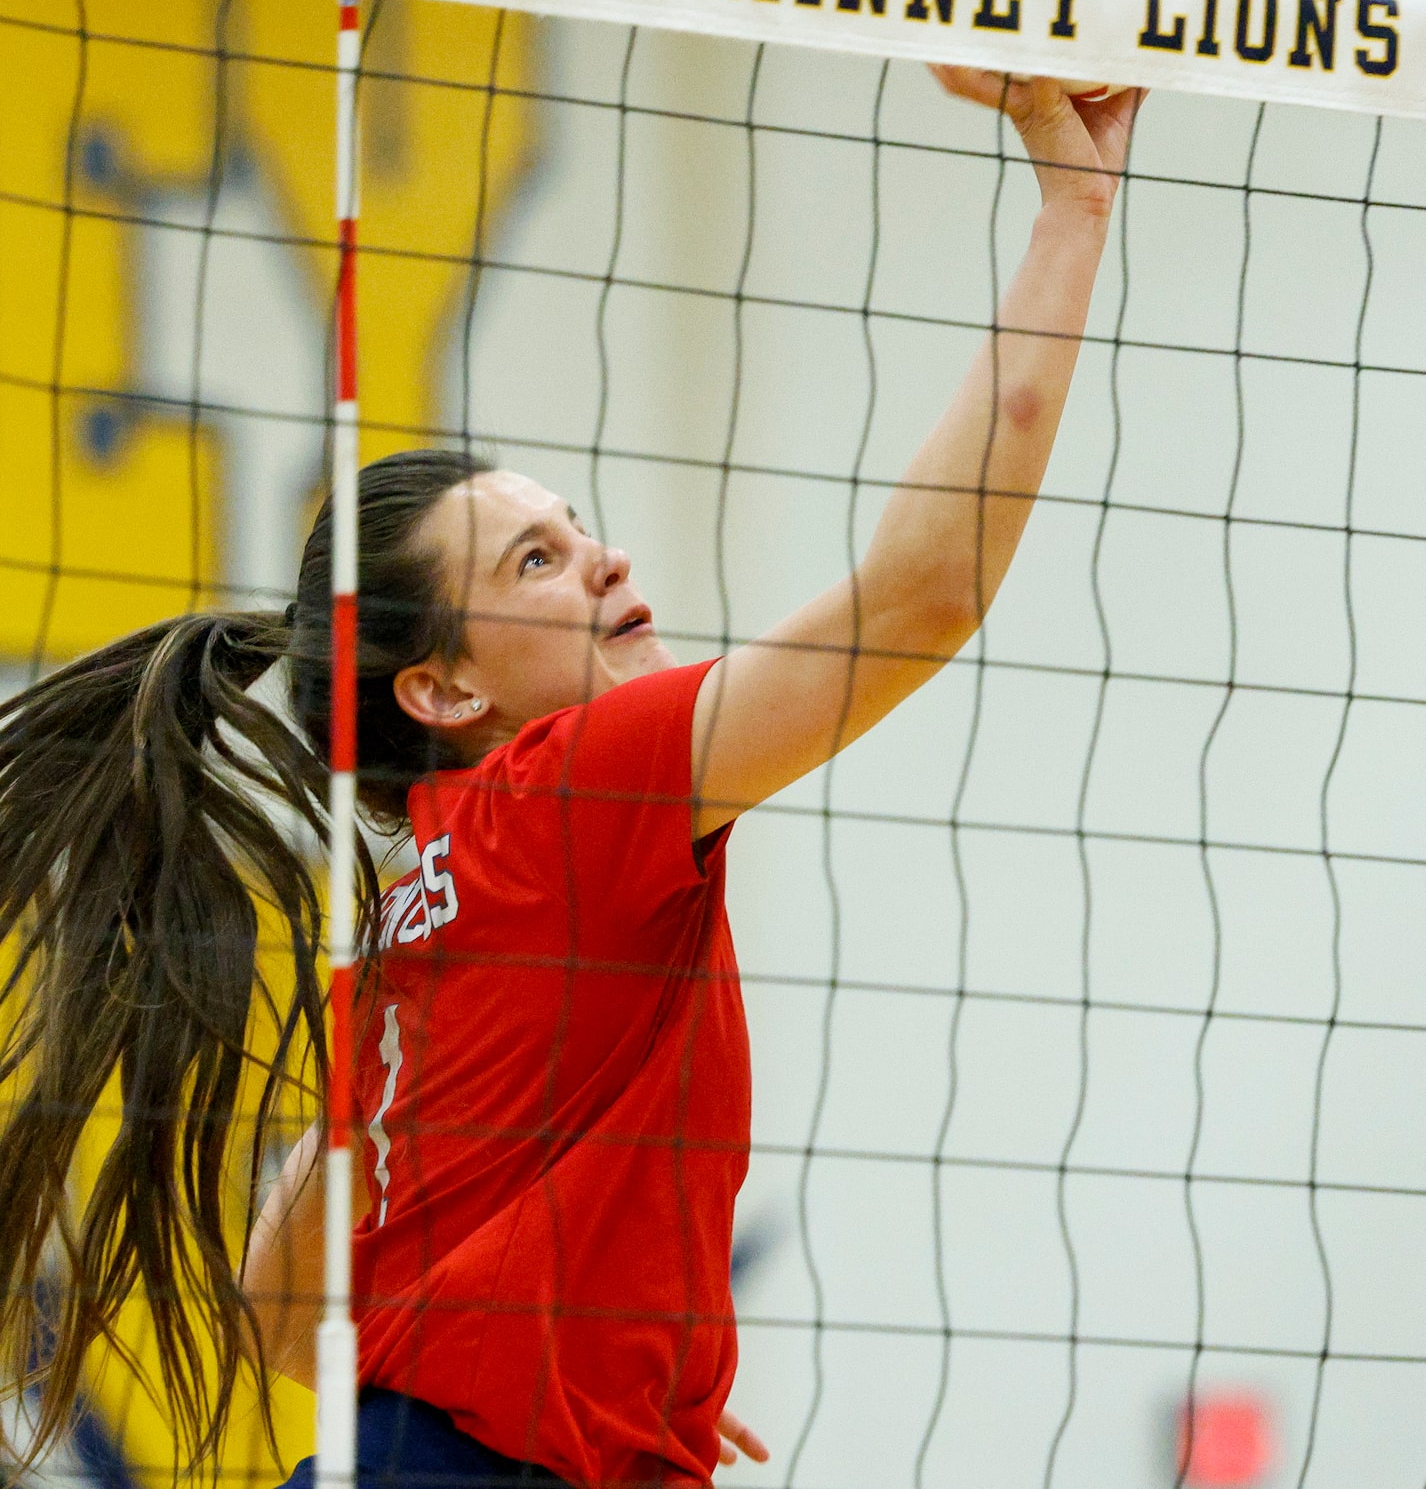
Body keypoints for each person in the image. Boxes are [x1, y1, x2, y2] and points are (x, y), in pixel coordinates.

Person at [0, 71, 1138, 1488]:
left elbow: (282, 1312)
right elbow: (922, 592)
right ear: (444, 689)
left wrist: (596, 1347)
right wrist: (1072, 206)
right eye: (534, 559)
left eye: (572, 524)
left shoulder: (418, 909)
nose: (600, 557)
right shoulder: (569, 790)